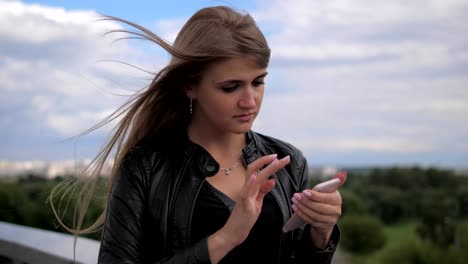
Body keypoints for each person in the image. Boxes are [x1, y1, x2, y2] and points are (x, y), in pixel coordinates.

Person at [53, 5, 346, 264]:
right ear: (189, 86)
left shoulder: (288, 161)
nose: (250, 101)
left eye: (258, 82)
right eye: (230, 87)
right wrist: (226, 237)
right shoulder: (145, 167)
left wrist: (321, 234)